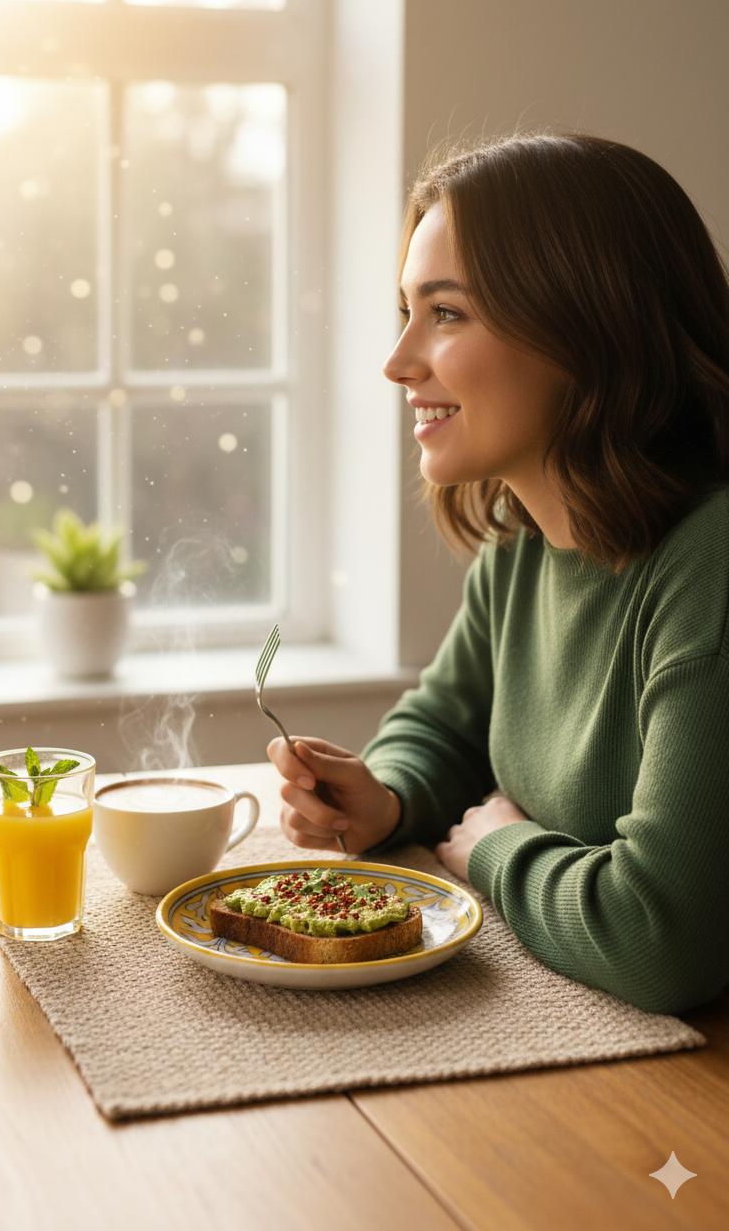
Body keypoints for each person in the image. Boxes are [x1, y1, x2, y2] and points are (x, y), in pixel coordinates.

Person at [268, 131, 729, 1014]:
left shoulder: (711, 565)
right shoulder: (520, 551)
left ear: (588, 328)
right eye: (406, 311)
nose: (398, 362)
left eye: (446, 314)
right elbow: (444, 727)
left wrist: (495, 848)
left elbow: (660, 943)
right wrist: (386, 798)